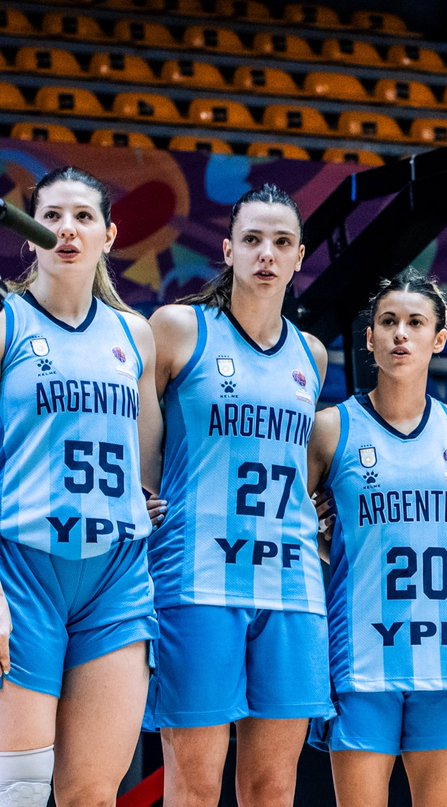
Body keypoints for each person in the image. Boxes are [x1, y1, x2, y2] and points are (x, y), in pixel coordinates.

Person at [306, 269, 447, 807]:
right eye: (388, 322)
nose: (400, 334)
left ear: (439, 339)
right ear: (369, 338)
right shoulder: (330, 429)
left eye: (415, 323)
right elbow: (293, 528)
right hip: (361, 654)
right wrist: (320, 537)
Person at [146, 184, 329, 807]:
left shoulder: (312, 355)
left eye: (282, 242)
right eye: (252, 240)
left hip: (290, 583)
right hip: (197, 580)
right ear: (227, 250)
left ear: (301, 256)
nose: (266, 255)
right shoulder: (176, 329)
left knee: (273, 789)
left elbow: (301, 467)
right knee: (194, 786)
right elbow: (143, 454)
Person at [0, 167, 161, 805]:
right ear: (29, 233)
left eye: (84, 217)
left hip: (115, 575)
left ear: (109, 235)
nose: (67, 229)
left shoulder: (134, 335)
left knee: (92, 792)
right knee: (19, 789)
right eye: (54, 215)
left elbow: (147, 462)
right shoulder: (7, 321)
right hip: (22, 567)